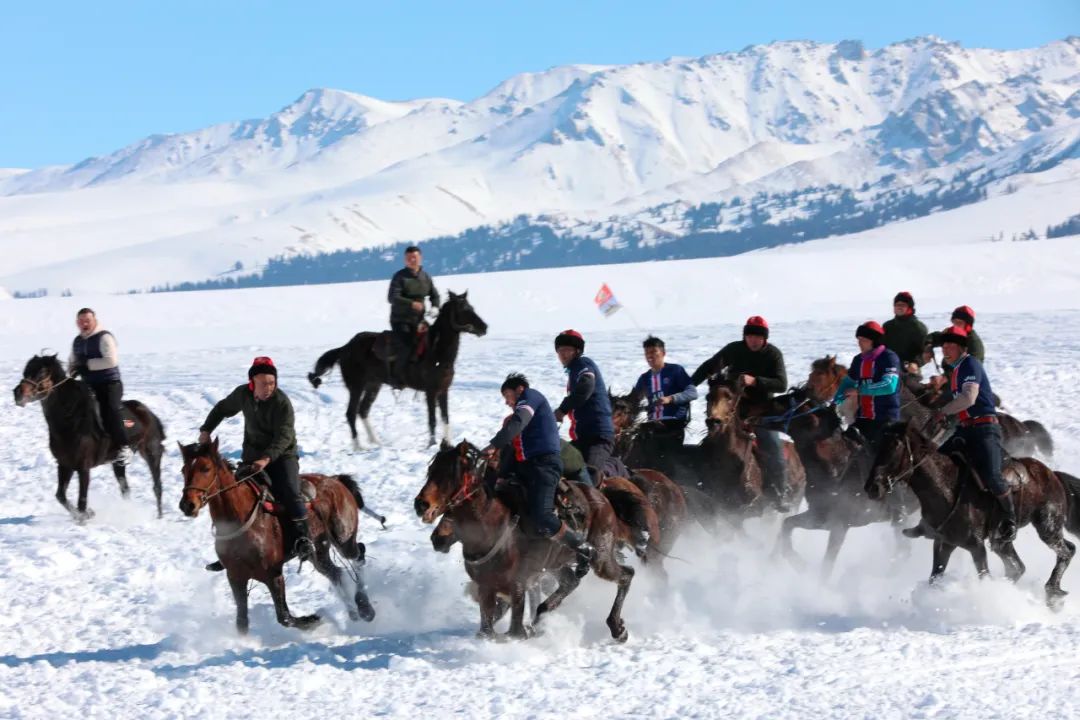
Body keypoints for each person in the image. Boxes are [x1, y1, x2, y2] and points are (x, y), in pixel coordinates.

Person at [199, 357, 314, 561]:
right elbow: (222, 409)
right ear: (252, 383)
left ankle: (304, 540)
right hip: (253, 457)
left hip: (282, 456)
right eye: (263, 384)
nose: (268, 388)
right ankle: (230, 548)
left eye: (272, 383)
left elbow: (284, 436)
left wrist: (267, 458)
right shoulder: (243, 395)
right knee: (232, 494)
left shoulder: (282, 403)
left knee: (289, 490)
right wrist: (206, 429)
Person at [482, 373, 593, 574]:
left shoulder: (531, 397)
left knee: (542, 516)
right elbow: (512, 451)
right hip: (527, 466)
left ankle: (581, 546)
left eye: (507, 396)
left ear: (520, 389)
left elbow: (517, 423)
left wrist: (493, 445)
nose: (507, 402)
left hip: (545, 465)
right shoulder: (521, 415)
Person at [689, 315, 791, 510]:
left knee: (771, 444)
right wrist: (689, 386)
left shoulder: (773, 354)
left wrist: (756, 381)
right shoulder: (734, 349)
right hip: (733, 409)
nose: (753, 340)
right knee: (710, 441)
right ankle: (703, 486)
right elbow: (709, 367)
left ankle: (779, 492)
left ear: (765, 339)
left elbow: (782, 384)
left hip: (761, 410)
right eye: (750, 336)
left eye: (758, 337)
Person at [933, 326, 1015, 542]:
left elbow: (968, 398)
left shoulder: (970, 364)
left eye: (950, 345)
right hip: (966, 429)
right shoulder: (956, 371)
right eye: (943, 345)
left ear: (961, 347)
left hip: (985, 428)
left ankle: (1009, 520)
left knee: (992, 475)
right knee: (936, 463)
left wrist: (943, 411)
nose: (945, 349)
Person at [69, 308, 132, 465]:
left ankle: (125, 447)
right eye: (81, 321)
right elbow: (72, 361)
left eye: (87, 320)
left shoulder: (104, 337)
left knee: (110, 409)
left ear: (95, 321)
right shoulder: (77, 341)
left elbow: (111, 361)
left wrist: (86, 365)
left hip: (110, 383)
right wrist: (72, 370)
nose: (84, 323)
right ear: (77, 323)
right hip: (89, 384)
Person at [552, 330, 615, 480]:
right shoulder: (574, 370)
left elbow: (586, 386)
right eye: (560, 350)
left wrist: (562, 410)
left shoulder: (583, 363)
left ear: (577, 351)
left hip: (598, 436)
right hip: (583, 436)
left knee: (590, 475)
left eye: (567, 349)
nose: (563, 354)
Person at [831, 321, 901, 450]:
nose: (859, 343)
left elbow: (889, 386)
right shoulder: (858, 360)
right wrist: (835, 402)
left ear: (873, 340)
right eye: (858, 339)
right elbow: (848, 383)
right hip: (863, 418)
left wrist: (859, 390)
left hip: (885, 419)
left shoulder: (889, 357)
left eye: (863, 339)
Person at [630, 335, 698, 456]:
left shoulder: (675, 371)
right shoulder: (644, 378)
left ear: (663, 353)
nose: (650, 356)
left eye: (653, 352)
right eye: (646, 353)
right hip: (652, 425)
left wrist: (671, 399)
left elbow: (692, 392)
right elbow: (633, 401)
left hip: (673, 424)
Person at [387, 245, 441, 389]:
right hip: (400, 320)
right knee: (407, 345)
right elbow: (392, 297)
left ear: (420, 258)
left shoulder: (426, 277)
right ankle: (396, 377)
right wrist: (411, 304)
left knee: (433, 342)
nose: (412, 260)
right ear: (405, 260)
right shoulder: (400, 277)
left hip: (419, 320)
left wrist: (435, 306)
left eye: (415, 257)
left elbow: (435, 295)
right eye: (409, 258)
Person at [883, 291, 929, 370]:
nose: (899, 307)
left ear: (909, 308)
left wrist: (916, 363)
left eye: (903, 305)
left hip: (909, 371)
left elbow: (926, 352)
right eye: (897, 305)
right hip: (888, 369)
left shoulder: (918, 328)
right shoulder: (887, 326)